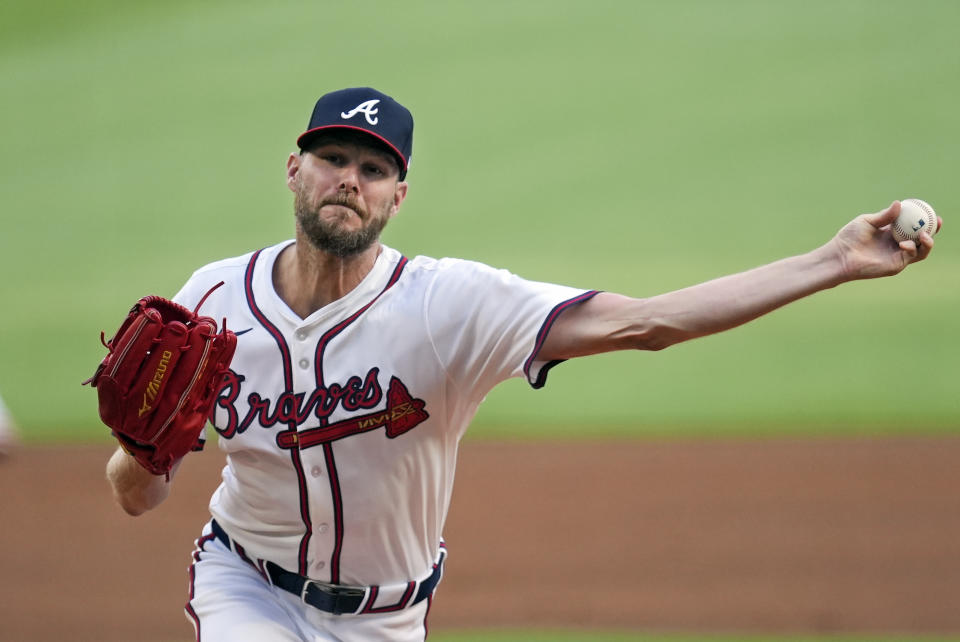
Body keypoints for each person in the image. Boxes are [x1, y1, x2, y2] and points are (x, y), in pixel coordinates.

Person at [104, 87, 941, 642]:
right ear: (294, 169)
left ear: (399, 195)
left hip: (388, 618)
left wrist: (832, 260)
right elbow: (138, 499)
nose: (348, 181)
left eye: (373, 168)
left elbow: (649, 323)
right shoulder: (211, 301)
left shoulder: (446, 306)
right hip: (244, 584)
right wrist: (142, 456)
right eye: (332, 160)